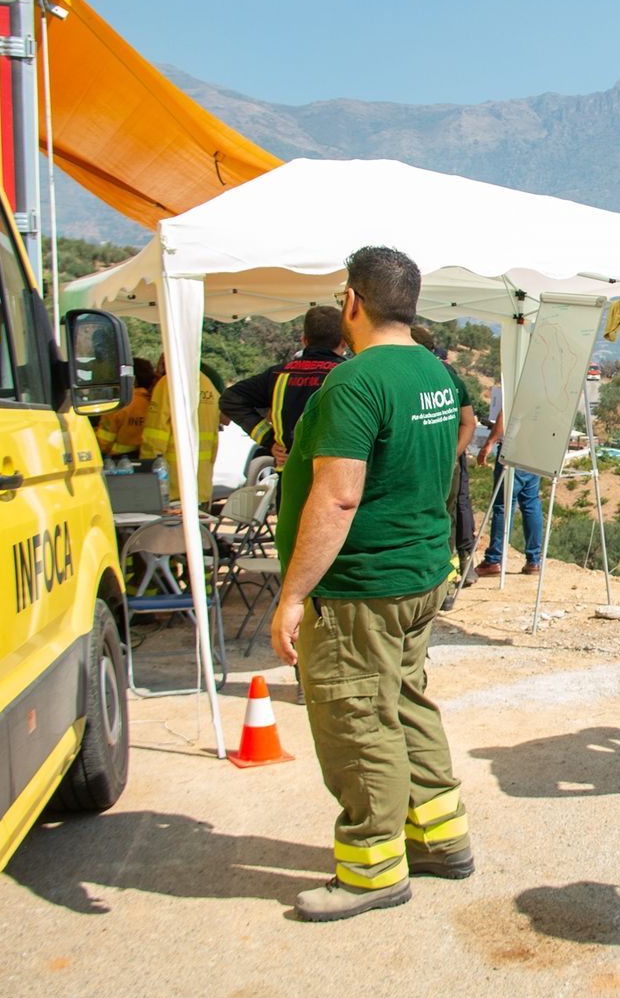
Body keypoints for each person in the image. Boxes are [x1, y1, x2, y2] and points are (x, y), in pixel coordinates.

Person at [271, 246, 475, 922]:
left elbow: (336, 498)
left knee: (358, 715)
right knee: (408, 700)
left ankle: (372, 867)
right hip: (419, 575)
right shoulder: (437, 374)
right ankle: (441, 836)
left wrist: (293, 594)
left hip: (363, 584)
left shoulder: (355, 382)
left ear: (352, 302)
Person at [219, 306, 346, 471]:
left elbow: (231, 399)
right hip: (335, 474)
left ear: (304, 340)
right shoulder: (348, 374)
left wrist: (269, 440)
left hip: (288, 475)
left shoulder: (278, 374)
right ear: (344, 341)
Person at [410, 324, 479, 598]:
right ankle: (445, 582)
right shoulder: (450, 377)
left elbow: (467, 423)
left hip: (422, 464)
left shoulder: (406, 377)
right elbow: (469, 423)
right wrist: (451, 456)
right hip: (446, 463)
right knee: (447, 517)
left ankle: (438, 580)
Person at [475, 381, 544, 577]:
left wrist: (489, 443)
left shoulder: (519, 380)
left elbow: (506, 414)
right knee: (531, 503)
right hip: (533, 450)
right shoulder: (542, 386)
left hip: (513, 450)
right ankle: (534, 560)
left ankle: (494, 560)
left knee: (503, 505)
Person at [141, 354, 222, 503]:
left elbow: (155, 434)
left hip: (172, 486)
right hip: (201, 486)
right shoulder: (208, 385)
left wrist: (146, 470)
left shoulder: (168, 384)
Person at [95, 356, 156, 459]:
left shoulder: (119, 405)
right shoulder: (153, 403)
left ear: (131, 379)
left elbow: (103, 443)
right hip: (146, 460)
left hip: (117, 464)